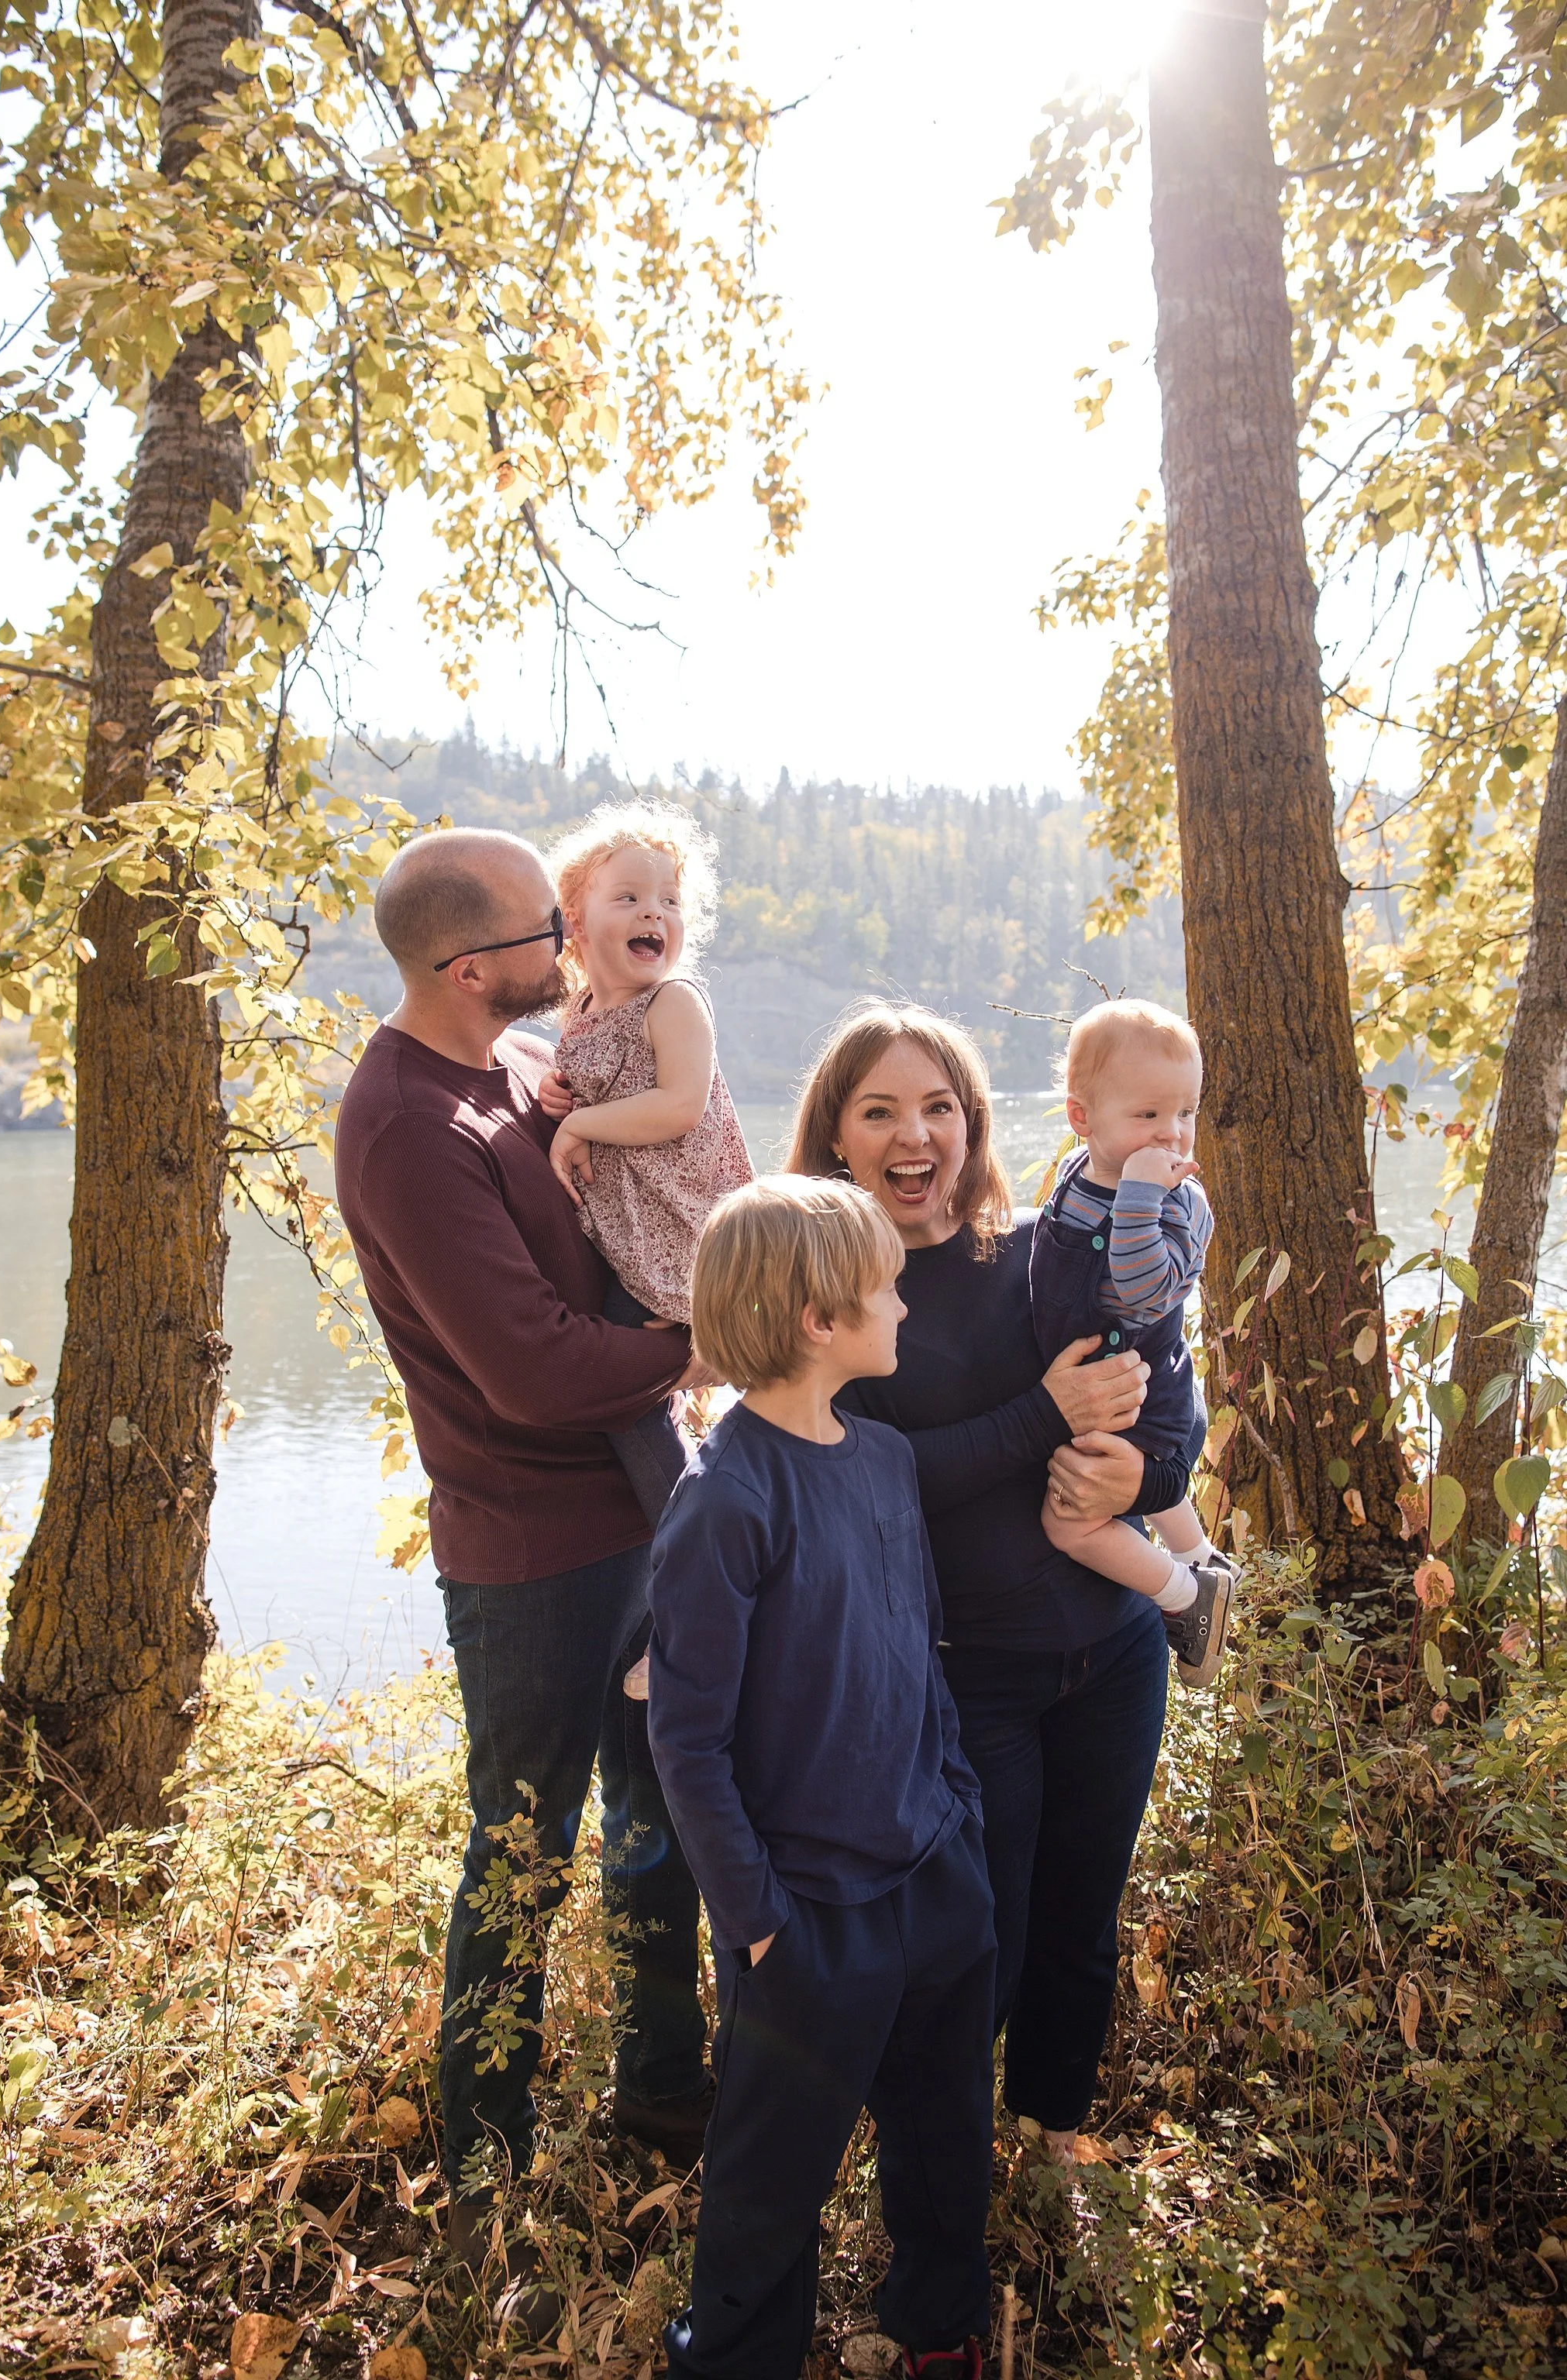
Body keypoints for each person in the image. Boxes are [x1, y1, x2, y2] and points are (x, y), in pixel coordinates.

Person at [333, 827, 713, 2272]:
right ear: (466, 963)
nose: (567, 943)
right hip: (534, 1553)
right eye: (544, 927)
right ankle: (482, 2169)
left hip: (643, 1510)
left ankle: (664, 2095)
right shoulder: (401, 1125)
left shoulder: (504, 1072)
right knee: (522, 1853)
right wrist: (710, 1332)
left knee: (664, 1815)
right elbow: (535, 1371)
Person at [788, 1000, 1193, 2169]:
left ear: (971, 1126)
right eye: (880, 1112)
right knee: (981, 1932)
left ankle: (1053, 2132)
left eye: (939, 1108)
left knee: (1082, 1912)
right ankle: (944, 2159)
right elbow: (866, 1488)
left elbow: (1161, 1398)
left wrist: (1141, 1466)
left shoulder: (1039, 1256)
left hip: (1111, 1652)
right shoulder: (830, 1301)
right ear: (835, 1136)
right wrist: (1041, 1418)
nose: (914, 1137)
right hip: (973, 1679)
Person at [649, 1175, 997, 2380]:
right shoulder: (725, 1501)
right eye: (887, 1289)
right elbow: (686, 1744)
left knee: (948, 2140)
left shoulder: (886, 1460)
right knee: (767, 2189)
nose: (906, 1306)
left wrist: (956, 1810)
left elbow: (920, 1649)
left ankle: (940, 2332)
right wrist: (757, 1928)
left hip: (934, 1879)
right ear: (816, 1320)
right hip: (807, 1924)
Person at [536, 802, 753, 1701]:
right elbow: (576, 1084)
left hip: (687, 1229)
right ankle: (701, 1576)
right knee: (637, 1403)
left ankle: (699, 1591)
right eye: (628, 897)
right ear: (575, 924)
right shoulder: (580, 1013)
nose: (653, 914)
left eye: (668, 900)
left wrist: (580, 1119)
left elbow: (675, 1106)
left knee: (636, 1399)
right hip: (633, 1243)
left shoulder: (675, 1004)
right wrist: (559, 1093)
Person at [1035, 1000, 1236, 1689]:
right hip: (1103, 1390)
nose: (1172, 1134)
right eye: (1148, 1116)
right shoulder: (1077, 1175)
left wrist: (1143, 1197)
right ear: (1082, 1121)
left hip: (1145, 1396)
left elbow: (1143, 1290)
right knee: (1134, 1490)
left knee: (1070, 1523)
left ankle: (1185, 1595)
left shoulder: (1180, 1203)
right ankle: (1205, 1556)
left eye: (1185, 1112)